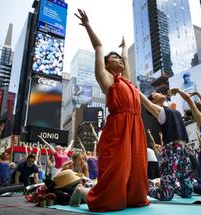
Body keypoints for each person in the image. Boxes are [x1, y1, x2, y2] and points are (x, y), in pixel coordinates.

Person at [70, 9, 149, 211]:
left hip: (136, 128)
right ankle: (81, 190)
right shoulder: (107, 79)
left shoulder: (128, 82)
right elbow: (98, 46)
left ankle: (131, 197)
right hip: (118, 129)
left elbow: (127, 61)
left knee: (137, 184)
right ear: (106, 65)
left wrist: (123, 49)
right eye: (115, 57)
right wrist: (87, 24)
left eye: (120, 58)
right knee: (114, 186)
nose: (120, 60)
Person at [140, 91, 193, 201]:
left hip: (183, 149)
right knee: (166, 195)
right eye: (155, 93)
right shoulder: (159, 111)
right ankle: (148, 188)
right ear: (153, 101)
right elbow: (147, 103)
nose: (159, 92)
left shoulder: (171, 110)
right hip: (171, 150)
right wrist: (134, 89)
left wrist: (178, 90)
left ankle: (171, 187)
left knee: (187, 192)